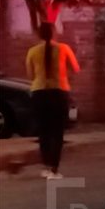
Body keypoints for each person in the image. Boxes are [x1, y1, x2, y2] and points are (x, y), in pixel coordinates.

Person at [25, 23, 79, 179]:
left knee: (43, 130)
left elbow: (30, 75)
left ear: (39, 34)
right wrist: (63, 74)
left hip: (39, 92)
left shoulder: (32, 52)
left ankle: (46, 166)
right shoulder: (64, 49)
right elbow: (75, 68)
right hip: (59, 91)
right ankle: (54, 168)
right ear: (54, 33)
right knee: (57, 131)